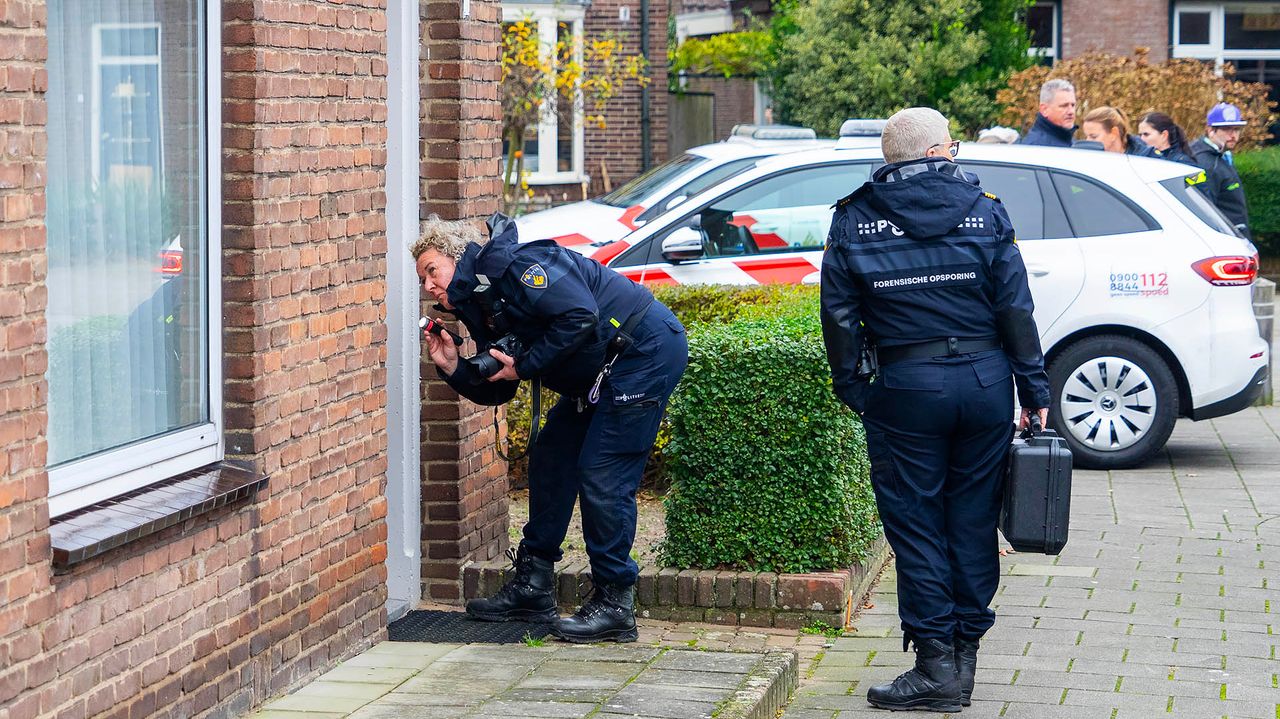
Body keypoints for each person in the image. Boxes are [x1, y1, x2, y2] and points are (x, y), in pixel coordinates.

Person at [821, 107, 1051, 712]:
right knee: (973, 519)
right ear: (937, 151)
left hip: (906, 385)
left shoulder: (855, 216)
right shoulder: (987, 209)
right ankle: (964, 658)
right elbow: (1015, 309)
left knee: (916, 523)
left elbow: (839, 317)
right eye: (953, 142)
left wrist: (855, 389)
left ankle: (936, 665)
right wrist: (1035, 391)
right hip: (983, 381)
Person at [414, 213, 688, 643]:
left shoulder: (522, 266)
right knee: (551, 457)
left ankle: (615, 603)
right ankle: (533, 586)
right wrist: (454, 367)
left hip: (642, 352)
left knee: (602, 472)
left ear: (458, 256)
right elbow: (500, 387)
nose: (429, 286)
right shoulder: (480, 301)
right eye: (423, 280)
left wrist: (524, 363)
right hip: (597, 373)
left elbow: (579, 316)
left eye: (432, 270)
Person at [1190, 102, 1251, 238]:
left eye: (1236, 129)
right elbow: (1206, 209)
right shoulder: (1205, 162)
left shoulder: (1220, 155)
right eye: (1226, 129)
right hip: (1226, 239)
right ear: (1210, 130)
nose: (1233, 135)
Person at [1020, 78, 1077, 147]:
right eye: (1064, 106)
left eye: (1073, 105)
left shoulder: (1070, 141)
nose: (1071, 111)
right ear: (1044, 110)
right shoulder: (1036, 147)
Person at [1081, 106, 1155, 156]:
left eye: (1093, 137)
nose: (1088, 141)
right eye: (1086, 136)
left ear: (1114, 133)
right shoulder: (1089, 159)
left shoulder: (1148, 158)